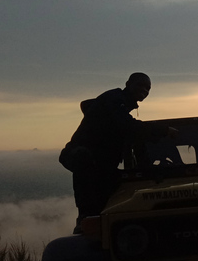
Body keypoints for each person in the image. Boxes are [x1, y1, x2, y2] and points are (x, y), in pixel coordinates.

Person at [60, 72, 173, 231]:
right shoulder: (113, 99)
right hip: (87, 163)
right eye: (140, 85)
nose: (144, 90)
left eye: (148, 88)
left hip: (102, 167)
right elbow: (129, 127)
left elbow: (132, 136)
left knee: (106, 210)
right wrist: (162, 131)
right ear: (128, 84)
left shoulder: (117, 106)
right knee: (91, 217)